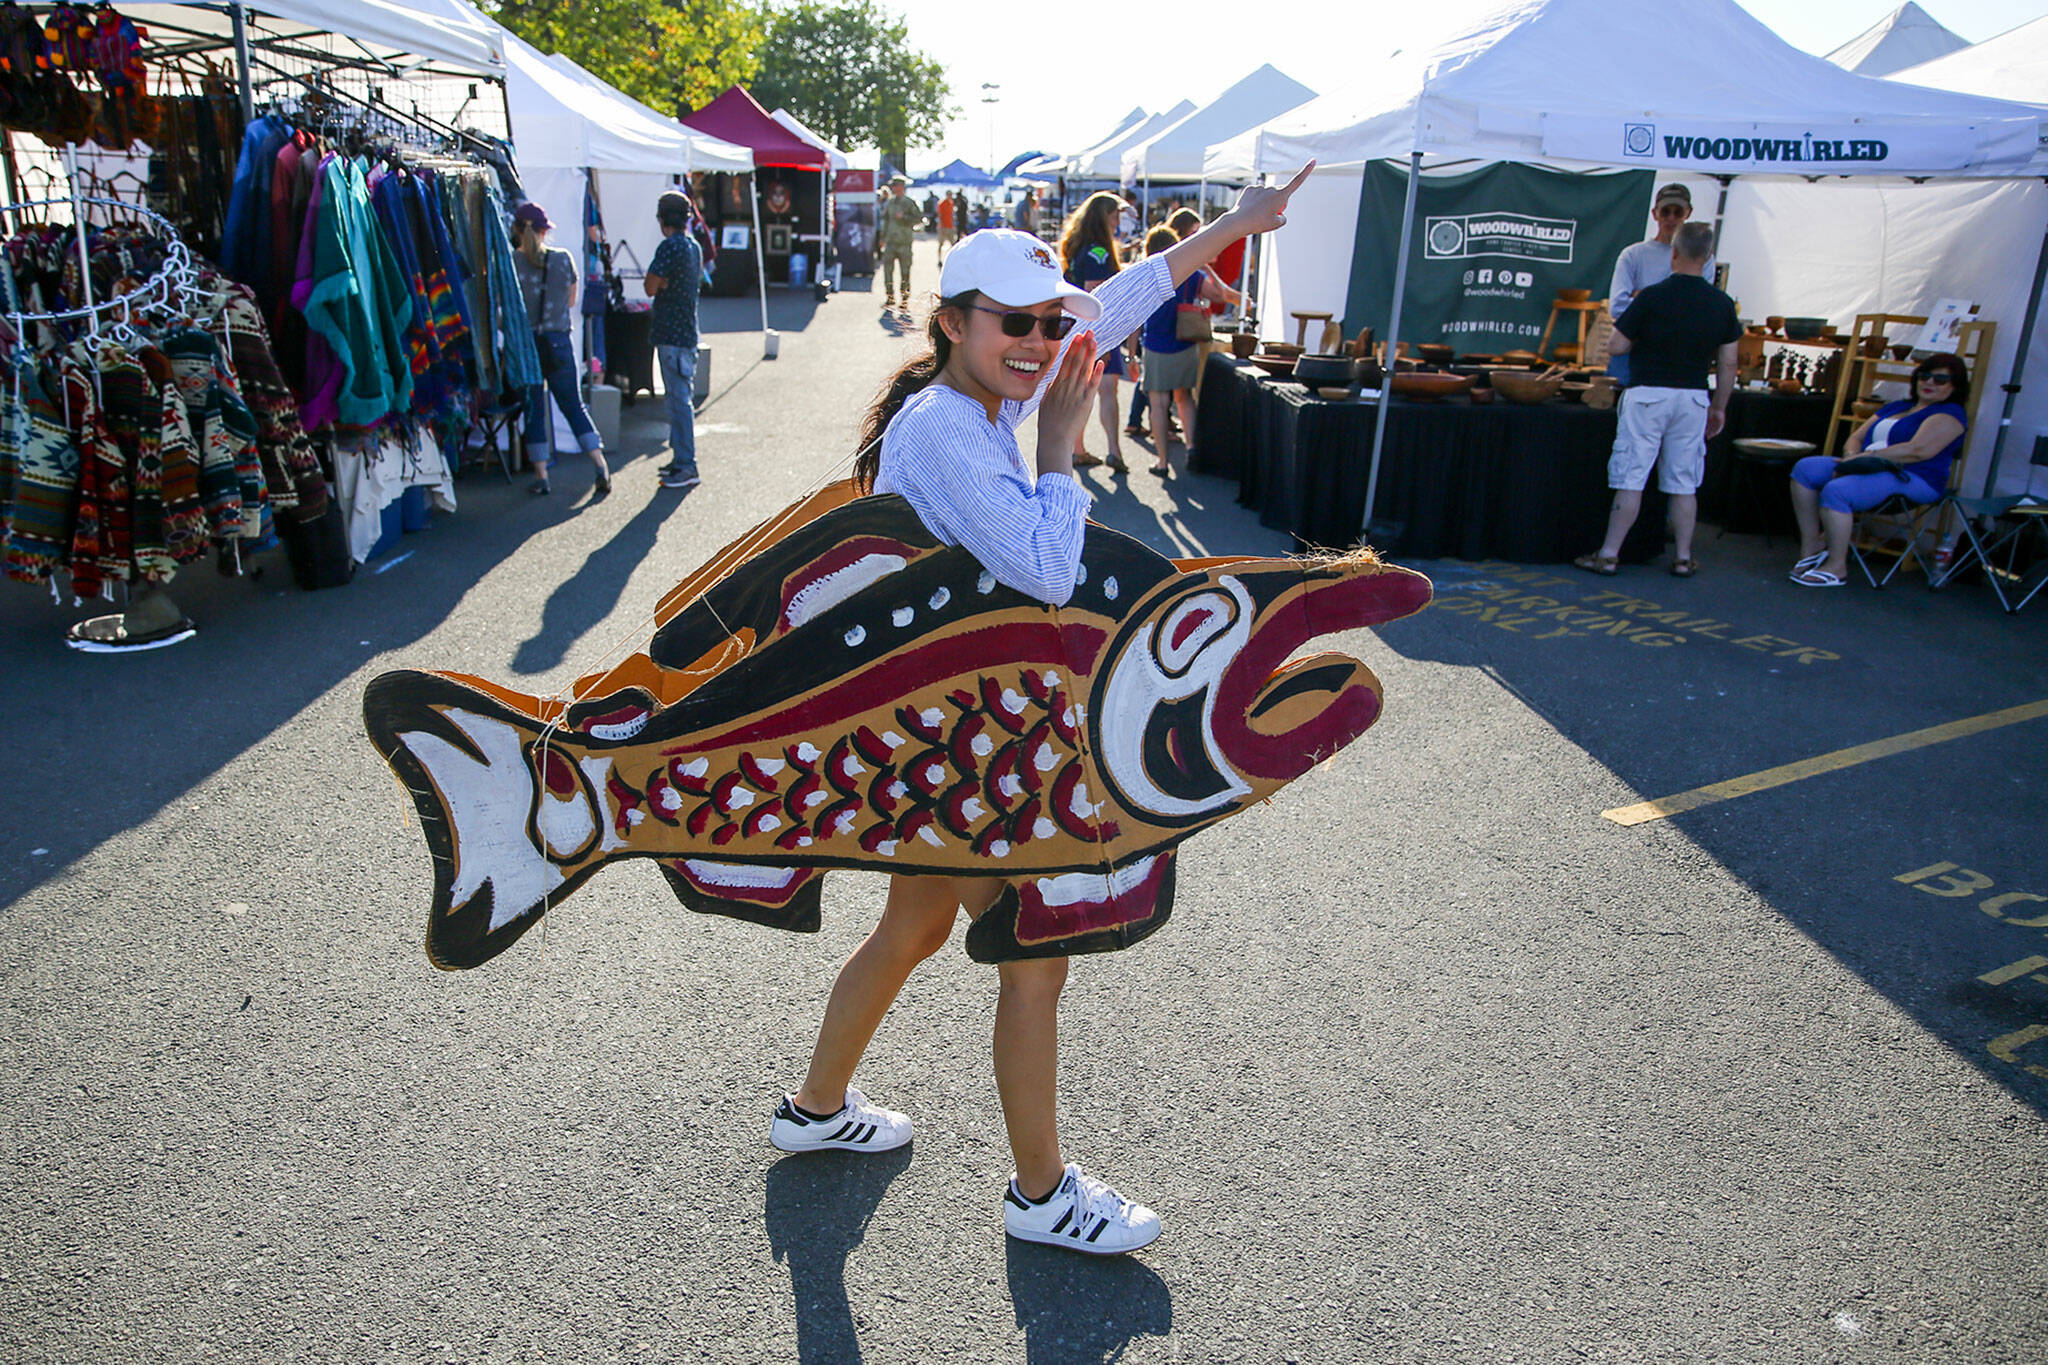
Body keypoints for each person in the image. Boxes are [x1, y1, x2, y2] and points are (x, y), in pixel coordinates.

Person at [770, 165, 1316, 1256]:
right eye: (1008, 323)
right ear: (950, 323)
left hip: (942, 734)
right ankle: (1039, 1198)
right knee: (1033, 954)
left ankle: (815, 1113)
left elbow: (1109, 305)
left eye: (1040, 322)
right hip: (959, 739)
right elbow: (1044, 567)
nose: (1033, 340)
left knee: (916, 928)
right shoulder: (947, 428)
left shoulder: (981, 391)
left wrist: (1237, 225)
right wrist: (1061, 451)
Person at [1574, 220, 1738, 578]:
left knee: (1632, 476)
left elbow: (1616, 344)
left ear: (1674, 252)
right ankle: (1682, 557)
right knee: (1683, 481)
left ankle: (1609, 553)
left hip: (1648, 393)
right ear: (1708, 256)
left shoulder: (1651, 296)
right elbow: (1729, 361)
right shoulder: (1722, 304)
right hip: (1693, 397)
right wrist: (1720, 406)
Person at [1786, 354, 1968, 588]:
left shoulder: (1950, 414)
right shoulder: (1898, 406)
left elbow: (1918, 451)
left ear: (1955, 385)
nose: (1929, 383)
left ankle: (1836, 566)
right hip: (1868, 466)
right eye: (1925, 376)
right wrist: (1852, 459)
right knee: (1806, 468)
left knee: (1838, 489)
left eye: (1940, 380)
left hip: (1915, 476)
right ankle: (1812, 545)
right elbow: (1856, 436)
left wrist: (1865, 459)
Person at [510, 201, 608, 497]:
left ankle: (541, 477)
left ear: (517, 230)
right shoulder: (564, 259)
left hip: (529, 344)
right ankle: (600, 465)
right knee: (573, 405)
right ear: (544, 231)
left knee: (534, 408)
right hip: (559, 341)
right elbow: (570, 301)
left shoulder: (513, 262)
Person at [1137, 225, 1240, 476]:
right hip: (1185, 342)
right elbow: (1219, 295)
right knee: (1185, 398)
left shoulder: (1146, 275)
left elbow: (1135, 318)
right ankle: (1192, 447)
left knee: (1158, 405)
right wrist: (1206, 267)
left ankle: (1162, 462)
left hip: (1156, 345)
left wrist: (1131, 352)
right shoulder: (1191, 274)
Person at [1058, 192, 1138, 473]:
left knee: (1084, 391)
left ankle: (1079, 449)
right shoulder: (1099, 251)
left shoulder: (1079, 247)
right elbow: (1096, 288)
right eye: (1115, 215)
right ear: (1104, 217)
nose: (1118, 221)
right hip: (1099, 330)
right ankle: (1111, 450)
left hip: (1079, 329)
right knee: (1105, 391)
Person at [1607, 183, 1714, 383]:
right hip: (1631, 353)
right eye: (1665, 212)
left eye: (1677, 212)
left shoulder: (1703, 257)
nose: (1671, 218)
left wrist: (1642, 300)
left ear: (1688, 213)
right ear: (1655, 214)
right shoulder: (1632, 255)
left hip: (1676, 355)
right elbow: (1617, 307)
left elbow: (1698, 308)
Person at [645, 190, 704, 491]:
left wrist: (661, 281)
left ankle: (686, 463)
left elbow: (650, 286)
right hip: (686, 333)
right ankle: (681, 457)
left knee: (678, 402)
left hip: (672, 334)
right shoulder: (692, 247)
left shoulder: (670, 247)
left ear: (662, 217)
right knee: (679, 401)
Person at [878, 174, 922, 312]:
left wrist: (905, 217)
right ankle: (890, 297)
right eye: (893, 186)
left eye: (896, 185)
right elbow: (885, 221)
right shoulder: (890, 203)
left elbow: (918, 219)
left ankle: (904, 300)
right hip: (891, 241)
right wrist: (882, 238)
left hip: (904, 242)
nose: (894, 188)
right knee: (888, 271)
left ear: (902, 187)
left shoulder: (909, 203)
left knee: (905, 272)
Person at [934, 188, 957, 260]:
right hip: (943, 226)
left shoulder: (951, 203)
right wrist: (942, 227)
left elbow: (951, 215)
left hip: (950, 226)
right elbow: (940, 216)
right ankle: (939, 259)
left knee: (953, 244)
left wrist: (953, 226)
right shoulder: (942, 203)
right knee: (941, 244)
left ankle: (953, 259)